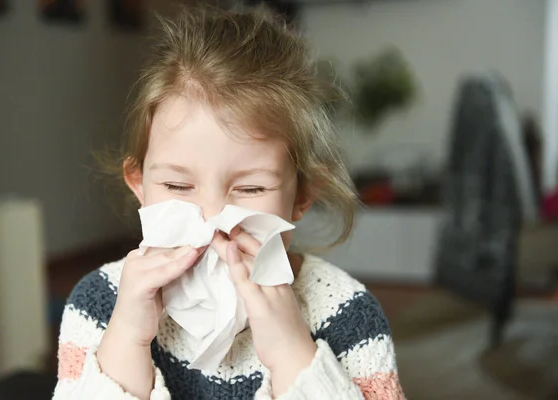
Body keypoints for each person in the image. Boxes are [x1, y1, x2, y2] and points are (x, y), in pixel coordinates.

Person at [53, 5, 404, 400]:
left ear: (302, 195)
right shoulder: (97, 303)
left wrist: (292, 352)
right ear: (140, 185)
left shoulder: (347, 315)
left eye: (251, 189)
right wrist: (126, 342)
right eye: (177, 185)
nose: (213, 220)